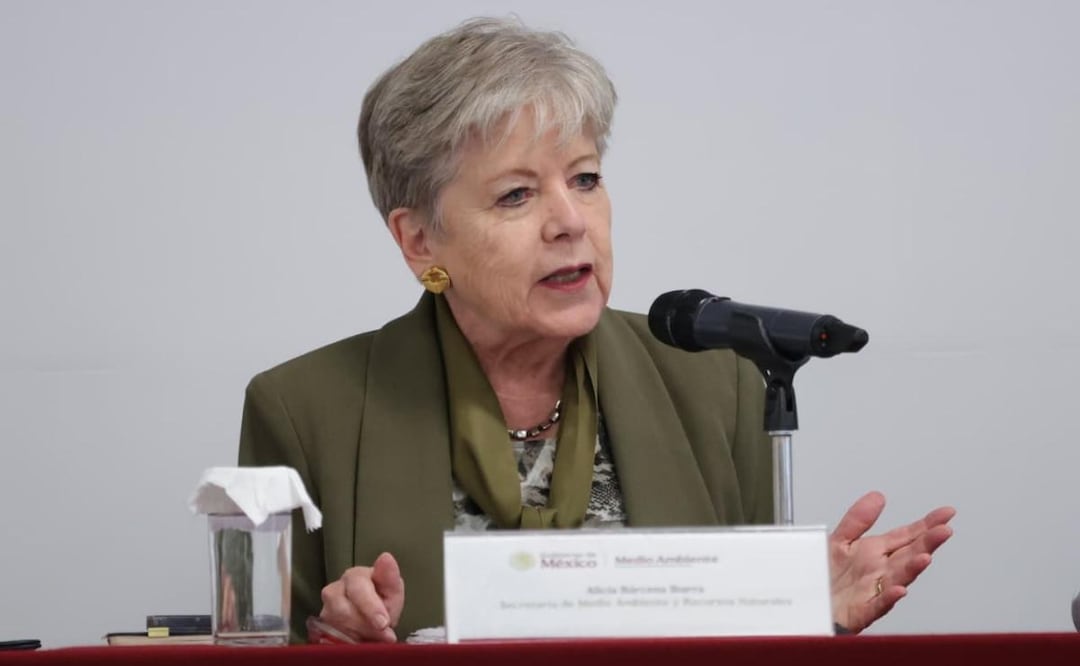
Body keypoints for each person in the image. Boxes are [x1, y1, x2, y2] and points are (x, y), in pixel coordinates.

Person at [238, 17, 955, 643]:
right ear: (420, 241)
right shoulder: (304, 412)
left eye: (584, 178)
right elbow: (260, 647)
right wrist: (337, 643)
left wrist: (807, 620)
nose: (570, 221)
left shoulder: (717, 383)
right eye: (517, 194)